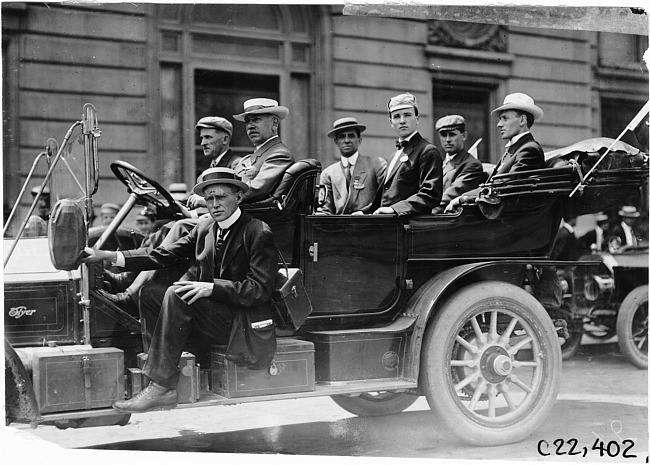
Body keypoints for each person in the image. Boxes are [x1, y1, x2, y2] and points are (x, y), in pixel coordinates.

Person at [82, 167, 279, 413]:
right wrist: (111, 255)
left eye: (221, 197)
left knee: (176, 295)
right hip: (217, 316)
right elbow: (162, 255)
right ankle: (163, 372)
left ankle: (161, 386)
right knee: (151, 294)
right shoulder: (206, 227)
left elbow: (258, 290)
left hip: (242, 323)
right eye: (209, 199)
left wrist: (211, 288)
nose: (214, 204)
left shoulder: (258, 232)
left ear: (238, 197)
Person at [445, 92, 545, 212]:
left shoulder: (529, 150)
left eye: (505, 118)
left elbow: (503, 187)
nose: (499, 124)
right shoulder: (517, 149)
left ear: (522, 120)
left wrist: (464, 198)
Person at [367, 92, 443, 216]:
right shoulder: (394, 155)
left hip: (409, 226)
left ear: (417, 119)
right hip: (390, 224)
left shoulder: (427, 150)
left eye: (407, 115)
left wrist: (394, 209)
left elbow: (431, 194)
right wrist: (364, 211)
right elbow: (385, 196)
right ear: (391, 122)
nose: (402, 121)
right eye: (396, 117)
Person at [319, 117, 386, 214]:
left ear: (359, 140)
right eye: (342, 136)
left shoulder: (377, 164)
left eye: (351, 136)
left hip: (369, 224)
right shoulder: (328, 174)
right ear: (336, 142)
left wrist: (364, 212)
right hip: (340, 227)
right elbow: (325, 209)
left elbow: (386, 197)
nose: (346, 140)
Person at [233, 98, 295, 203]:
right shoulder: (248, 158)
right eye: (247, 121)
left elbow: (256, 189)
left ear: (274, 123)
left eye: (256, 119)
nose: (250, 126)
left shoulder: (280, 154)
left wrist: (222, 199)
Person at [186, 116, 242, 211]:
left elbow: (235, 204)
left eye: (208, 137)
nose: (203, 143)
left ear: (225, 139)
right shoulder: (207, 172)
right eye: (202, 138)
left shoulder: (237, 165)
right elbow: (190, 199)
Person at [431, 115, 485, 213]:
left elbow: (449, 197)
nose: (447, 139)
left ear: (463, 136)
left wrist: (423, 212)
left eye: (452, 134)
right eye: (443, 135)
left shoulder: (471, 165)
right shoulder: (439, 164)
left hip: (445, 219)